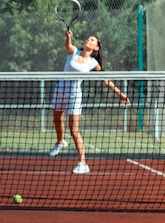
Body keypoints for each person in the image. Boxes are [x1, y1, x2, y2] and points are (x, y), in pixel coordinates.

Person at [49, 29, 129, 174]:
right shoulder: (73, 51)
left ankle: (83, 163)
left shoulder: (93, 63)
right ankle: (60, 143)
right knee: (56, 120)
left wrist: (120, 94)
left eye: (92, 40)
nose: (88, 40)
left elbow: (105, 80)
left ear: (96, 48)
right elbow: (68, 44)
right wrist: (68, 37)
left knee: (74, 130)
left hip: (74, 96)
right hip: (60, 90)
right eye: (88, 38)